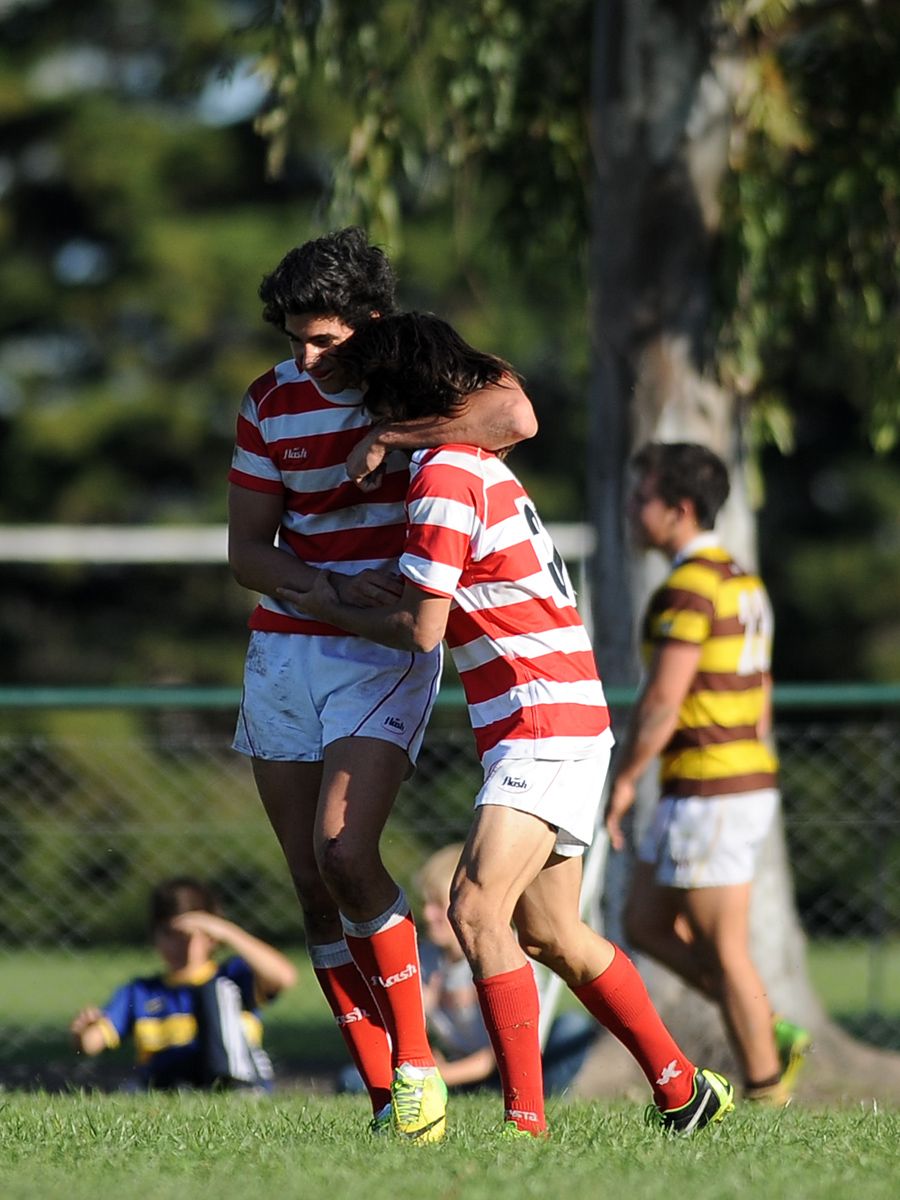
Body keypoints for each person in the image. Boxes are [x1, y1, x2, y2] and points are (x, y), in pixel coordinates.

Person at [276, 312, 735, 1137]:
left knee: (477, 909)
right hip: (549, 710)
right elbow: (447, 590)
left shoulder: (445, 476)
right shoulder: (471, 464)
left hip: (541, 716)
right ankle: (681, 1088)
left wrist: (326, 601)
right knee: (552, 931)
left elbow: (423, 629)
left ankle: (524, 1129)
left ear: (396, 397)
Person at [227, 228, 537, 1140]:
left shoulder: (419, 377)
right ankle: (384, 1097)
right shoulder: (267, 402)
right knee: (312, 883)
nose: (305, 358)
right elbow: (248, 553)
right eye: (294, 339)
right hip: (290, 644)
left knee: (345, 851)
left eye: (323, 340)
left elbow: (514, 418)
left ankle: (417, 1068)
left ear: (369, 324)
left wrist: (391, 437)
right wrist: (321, 588)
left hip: (387, 648)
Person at [604, 441, 811, 1105]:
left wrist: (628, 778)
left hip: (714, 786)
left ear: (679, 509)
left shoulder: (690, 586)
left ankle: (766, 1093)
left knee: (726, 950)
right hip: (716, 782)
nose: (632, 512)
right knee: (643, 922)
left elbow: (664, 698)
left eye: (643, 500)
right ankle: (768, 1030)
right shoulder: (741, 578)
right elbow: (764, 685)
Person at [337, 842, 597, 1097]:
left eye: (438, 905)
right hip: (457, 1064)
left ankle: (541, 1095)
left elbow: (497, 1054)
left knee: (571, 1028)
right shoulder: (423, 958)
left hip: (508, 1066)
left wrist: (442, 1075)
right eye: (425, 904)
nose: (427, 914)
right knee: (353, 1079)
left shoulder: (506, 957)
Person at [69, 876, 297, 1092]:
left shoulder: (232, 978)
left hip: (229, 1076)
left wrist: (227, 931)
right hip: (169, 1081)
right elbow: (92, 1043)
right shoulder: (141, 992)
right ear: (155, 936)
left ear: (211, 936)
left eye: (189, 935)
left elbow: (284, 977)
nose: (180, 945)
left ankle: (237, 1088)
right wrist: (83, 1034)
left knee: (214, 992)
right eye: (169, 934)